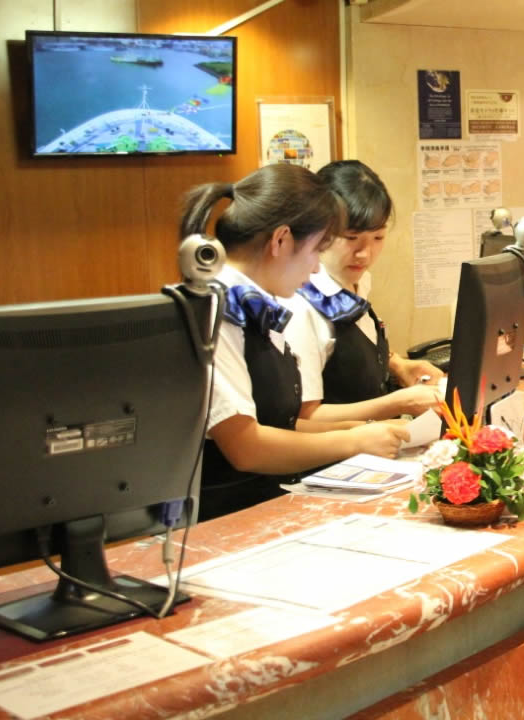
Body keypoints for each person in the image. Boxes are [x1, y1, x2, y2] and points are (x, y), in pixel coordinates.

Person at [179, 163, 409, 521]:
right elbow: (246, 447)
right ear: (281, 240)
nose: (317, 269)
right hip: (225, 516)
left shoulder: (257, 303)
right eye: (318, 250)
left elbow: (280, 420)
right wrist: (355, 441)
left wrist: (356, 429)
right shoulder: (217, 309)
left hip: (272, 503)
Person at [280, 160, 443, 423]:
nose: (365, 253)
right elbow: (304, 417)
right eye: (351, 238)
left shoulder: (357, 280)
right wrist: (399, 403)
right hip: (332, 458)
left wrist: (399, 365)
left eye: (378, 238)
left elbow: (354, 348)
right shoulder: (303, 304)